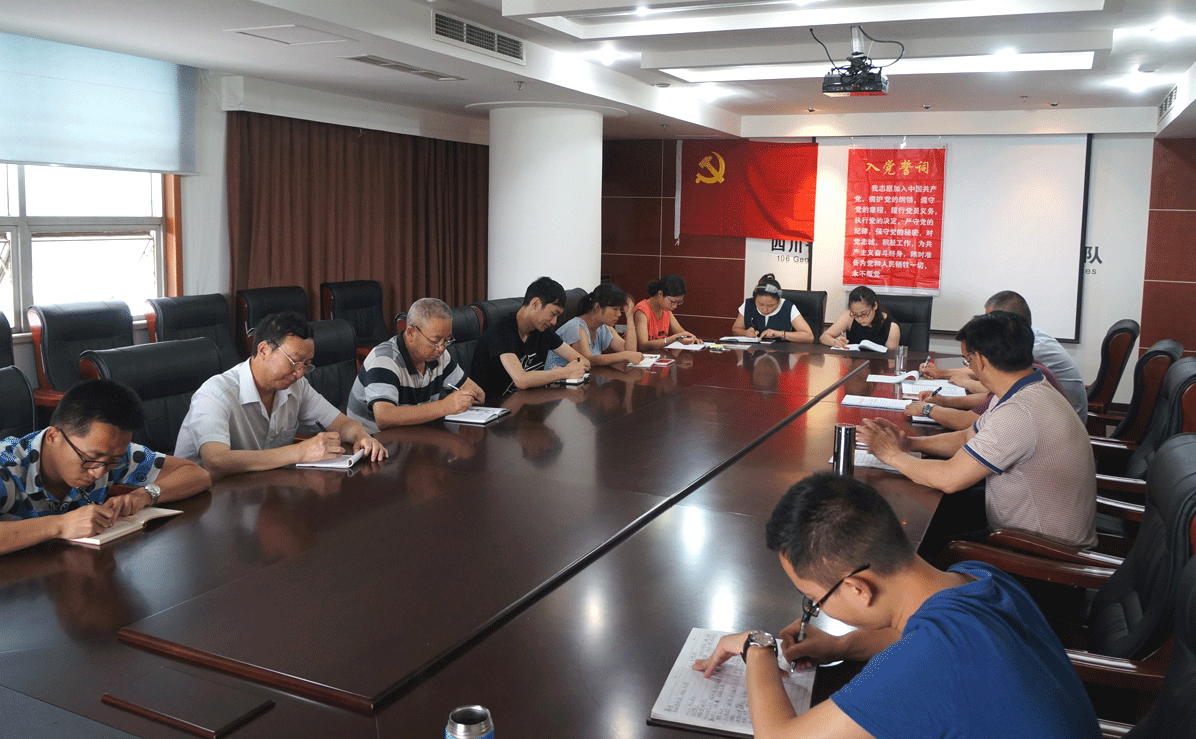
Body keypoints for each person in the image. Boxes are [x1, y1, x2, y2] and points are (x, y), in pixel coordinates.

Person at [692, 473, 1100, 739]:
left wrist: (757, 646)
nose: (815, 609)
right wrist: (840, 646)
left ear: (857, 588)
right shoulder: (977, 577)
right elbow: (916, 637)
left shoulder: (928, 662)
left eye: (814, 600)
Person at [859, 311, 1097, 550]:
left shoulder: (1019, 412)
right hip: (1020, 526)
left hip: (1040, 553)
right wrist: (910, 444)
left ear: (981, 360)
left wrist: (889, 454)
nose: (969, 366)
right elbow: (967, 437)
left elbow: (949, 478)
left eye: (968, 360)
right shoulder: (1025, 389)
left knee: (916, 545)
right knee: (932, 511)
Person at [0, 379, 211, 555]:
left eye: (112, 462)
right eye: (90, 458)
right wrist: (61, 525)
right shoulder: (6, 464)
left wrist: (144, 495)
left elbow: (197, 474)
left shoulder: (111, 452)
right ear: (54, 436)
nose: (99, 472)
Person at [175, 311, 388, 480]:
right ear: (263, 350)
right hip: (203, 502)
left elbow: (342, 424)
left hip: (259, 491)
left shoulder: (296, 386)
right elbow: (216, 460)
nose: (300, 372)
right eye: (294, 361)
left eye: (306, 364)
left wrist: (362, 437)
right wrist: (300, 452)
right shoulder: (215, 393)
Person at [921, 291, 1087, 424]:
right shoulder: (1023, 340)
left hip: (1064, 425)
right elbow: (990, 394)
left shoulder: (1027, 350)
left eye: (991, 322)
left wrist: (965, 384)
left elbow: (972, 418)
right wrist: (944, 378)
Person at [346, 297, 486, 433]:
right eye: (434, 341)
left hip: (415, 435)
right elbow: (384, 418)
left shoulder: (439, 356)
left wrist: (474, 395)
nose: (441, 348)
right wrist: (445, 406)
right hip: (373, 441)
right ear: (411, 333)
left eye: (446, 340)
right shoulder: (384, 360)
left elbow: (468, 387)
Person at [468, 276, 591, 398]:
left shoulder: (542, 331)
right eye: (553, 314)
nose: (554, 322)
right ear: (535, 303)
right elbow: (521, 380)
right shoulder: (502, 331)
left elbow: (583, 361)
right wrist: (564, 372)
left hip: (525, 403)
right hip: (493, 406)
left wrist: (575, 366)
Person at [546, 282, 643, 370]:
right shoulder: (576, 327)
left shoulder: (603, 328)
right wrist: (624, 355)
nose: (619, 314)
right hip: (556, 381)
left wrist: (629, 316)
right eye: (615, 309)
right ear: (597, 307)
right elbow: (588, 360)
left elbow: (631, 352)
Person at [730, 273, 815, 342]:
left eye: (770, 306)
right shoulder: (748, 304)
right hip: (752, 352)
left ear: (779, 301)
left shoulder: (788, 307)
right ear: (754, 298)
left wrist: (780, 334)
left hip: (782, 354)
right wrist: (745, 333)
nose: (764, 309)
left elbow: (809, 336)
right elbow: (735, 329)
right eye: (760, 304)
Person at [633, 274, 702, 350]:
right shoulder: (642, 311)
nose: (675, 306)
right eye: (673, 302)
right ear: (660, 294)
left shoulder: (665, 310)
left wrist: (692, 338)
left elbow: (680, 332)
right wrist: (674, 338)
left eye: (678, 302)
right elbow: (643, 345)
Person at [819, 286, 900, 350]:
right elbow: (823, 337)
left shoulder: (891, 327)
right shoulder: (849, 317)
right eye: (855, 314)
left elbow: (890, 359)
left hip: (879, 365)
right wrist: (835, 342)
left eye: (864, 314)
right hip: (853, 364)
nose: (859, 319)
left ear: (875, 306)